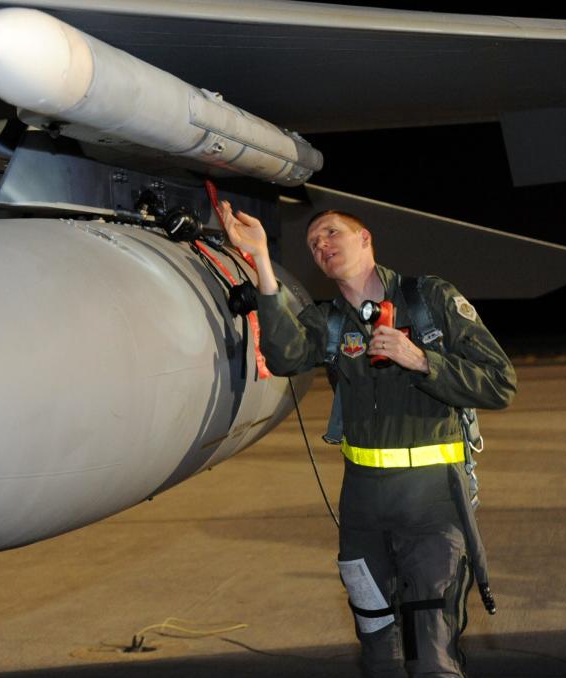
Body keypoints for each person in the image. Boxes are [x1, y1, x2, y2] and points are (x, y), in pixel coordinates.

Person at [219, 202, 516, 677]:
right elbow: (285, 355)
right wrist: (261, 262)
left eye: (332, 233)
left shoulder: (430, 299)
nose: (322, 246)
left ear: (365, 239)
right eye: (314, 244)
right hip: (361, 510)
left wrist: (421, 360)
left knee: (431, 654)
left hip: (432, 504)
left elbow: (500, 382)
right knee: (378, 646)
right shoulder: (330, 321)